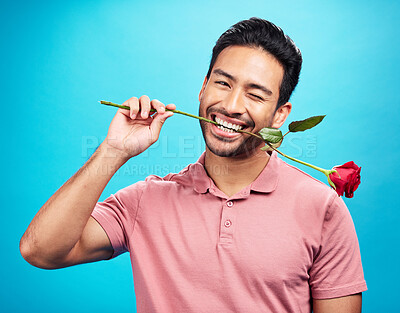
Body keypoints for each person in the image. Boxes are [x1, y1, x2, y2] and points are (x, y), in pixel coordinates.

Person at [20, 17, 367, 312]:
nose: (231, 105)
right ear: (202, 88)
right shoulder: (145, 200)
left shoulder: (322, 208)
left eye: (255, 94)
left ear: (280, 115)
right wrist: (114, 151)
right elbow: (41, 251)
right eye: (223, 83)